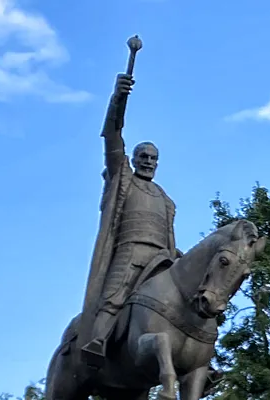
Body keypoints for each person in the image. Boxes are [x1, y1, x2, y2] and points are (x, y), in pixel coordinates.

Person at [79, 71, 177, 363]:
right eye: (143, 156)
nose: (148, 161)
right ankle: (97, 341)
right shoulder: (122, 178)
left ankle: (196, 361)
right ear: (133, 160)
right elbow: (112, 134)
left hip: (161, 258)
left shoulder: (166, 199)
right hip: (129, 250)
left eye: (153, 158)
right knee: (114, 296)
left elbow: (170, 236)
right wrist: (118, 99)